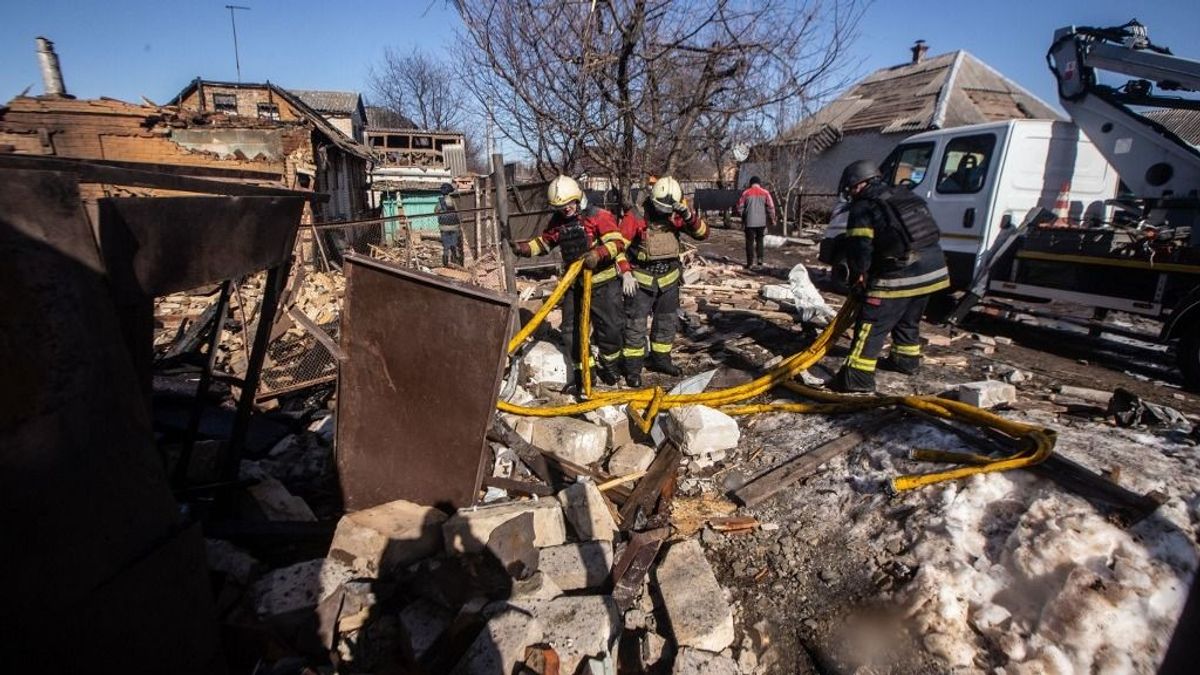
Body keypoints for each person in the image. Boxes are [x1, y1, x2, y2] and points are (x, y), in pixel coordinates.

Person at [829, 159, 950, 393]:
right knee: (907, 319)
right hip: (933, 270)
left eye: (850, 189)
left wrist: (859, 276)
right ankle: (905, 361)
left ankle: (857, 377)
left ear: (856, 184)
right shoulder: (905, 196)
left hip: (901, 272)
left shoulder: (864, 206)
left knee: (871, 323)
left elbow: (860, 246)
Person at [511, 175, 628, 393]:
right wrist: (523, 249)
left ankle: (611, 368)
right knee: (571, 333)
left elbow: (618, 243)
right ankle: (585, 375)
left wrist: (598, 254)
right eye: (560, 207)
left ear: (578, 198)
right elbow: (544, 243)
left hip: (603, 285)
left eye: (568, 205)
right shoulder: (558, 222)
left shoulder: (600, 217)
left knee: (610, 330)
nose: (565, 210)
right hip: (575, 286)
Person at [618, 176, 709, 387]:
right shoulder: (636, 216)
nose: (664, 213)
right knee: (635, 325)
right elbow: (617, 247)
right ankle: (632, 368)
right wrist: (625, 273)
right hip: (640, 280)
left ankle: (661, 360)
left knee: (666, 323)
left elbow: (703, 234)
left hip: (669, 279)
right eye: (661, 208)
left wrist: (689, 216)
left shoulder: (677, 215)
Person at [736, 176, 775, 268]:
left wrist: (743, 215)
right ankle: (760, 260)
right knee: (760, 241)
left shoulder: (746, 193)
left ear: (751, 183)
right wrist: (772, 219)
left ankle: (750, 263)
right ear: (759, 183)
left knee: (749, 242)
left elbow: (739, 207)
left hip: (749, 222)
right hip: (761, 222)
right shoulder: (765, 193)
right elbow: (771, 207)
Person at [436, 182, 464, 266]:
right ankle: (457, 263)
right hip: (455, 227)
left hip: (443, 228)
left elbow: (436, 211)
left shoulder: (440, 202)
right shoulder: (454, 200)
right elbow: (459, 212)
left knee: (446, 247)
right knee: (455, 245)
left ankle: (445, 264)